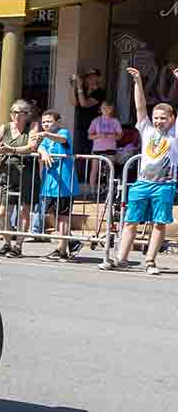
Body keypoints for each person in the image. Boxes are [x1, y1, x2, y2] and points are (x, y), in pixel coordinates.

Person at [101, 68, 178, 275]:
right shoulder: (147, 129)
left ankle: (150, 261)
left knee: (159, 224)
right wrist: (137, 81)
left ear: (172, 119)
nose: (158, 120)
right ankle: (121, 259)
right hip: (142, 183)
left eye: (163, 118)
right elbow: (140, 106)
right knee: (130, 221)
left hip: (164, 185)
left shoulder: (174, 134)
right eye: (156, 117)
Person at [0, 99, 39, 258]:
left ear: (26, 115)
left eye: (18, 112)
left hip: (26, 171)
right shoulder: (5, 127)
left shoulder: (32, 127)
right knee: (2, 212)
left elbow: (30, 147)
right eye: (13, 112)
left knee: (23, 211)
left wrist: (11, 149)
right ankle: (7, 243)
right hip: (7, 172)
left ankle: (18, 246)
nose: (15, 115)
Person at [34, 111, 80, 261]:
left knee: (62, 217)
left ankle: (61, 250)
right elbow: (40, 147)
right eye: (44, 122)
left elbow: (62, 139)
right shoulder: (46, 139)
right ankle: (71, 242)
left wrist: (45, 135)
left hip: (64, 184)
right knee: (52, 215)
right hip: (50, 184)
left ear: (58, 122)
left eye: (49, 122)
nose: (46, 125)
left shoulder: (62, 132)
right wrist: (43, 152)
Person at [87, 101, 122, 196]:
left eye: (108, 108)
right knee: (94, 170)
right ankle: (92, 191)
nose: (106, 110)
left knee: (110, 170)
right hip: (97, 149)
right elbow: (89, 136)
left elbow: (120, 136)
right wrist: (98, 135)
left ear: (112, 109)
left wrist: (110, 135)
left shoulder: (115, 121)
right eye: (104, 108)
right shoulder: (96, 120)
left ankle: (109, 192)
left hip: (110, 149)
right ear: (100, 109)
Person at [69, 68, 106, 154]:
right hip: (81, 125)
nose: (91, 79)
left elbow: (84, 104)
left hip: (94, 127)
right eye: (88, 77)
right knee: (80, 152)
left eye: (93, 76)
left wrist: (79, 87)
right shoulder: (83, 90)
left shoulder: (100, 92)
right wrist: (73, 86)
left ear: (98, 78)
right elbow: (73, 102)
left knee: (91, 152)